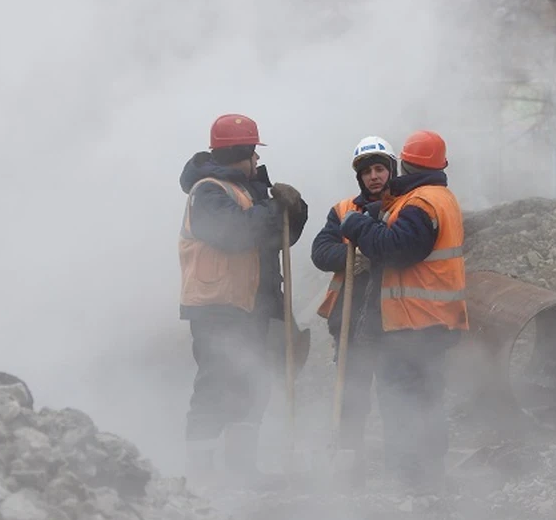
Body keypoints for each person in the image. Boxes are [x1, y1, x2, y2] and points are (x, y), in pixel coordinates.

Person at [178, 113, 308, 487]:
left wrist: (294, 212)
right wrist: (274, 209)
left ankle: (241, 470)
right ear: (241, 153)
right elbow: (234, 233)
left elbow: (276, 237)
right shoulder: (207, 191)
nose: (257, 162)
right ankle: (200, 475)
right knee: (217, 383)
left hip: (252, 304)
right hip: (218, 304)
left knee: (253, 384)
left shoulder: (249, 192)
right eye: (253, 154)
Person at [339, 130, 468, 494]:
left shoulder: (421, 203)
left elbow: (397, 249)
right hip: (432, 320)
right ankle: (428, 477)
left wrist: (359, 225)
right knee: (426, 397)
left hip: (414, 322)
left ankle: (410, 480)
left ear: (405, 164)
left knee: (401, 400)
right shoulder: (438, 197)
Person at [311, 136, 397, 486]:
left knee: (394, 392)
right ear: (359, 177)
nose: (374, 177)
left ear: (391, 170)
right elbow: (320, 251)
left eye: (380, 169)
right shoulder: (345, 209)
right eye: (367, 172)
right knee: (352, 391)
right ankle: (348, 460)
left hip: (394, 316)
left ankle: (397, 462)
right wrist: (350, 260)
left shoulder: (406, 205)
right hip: (350, 317)